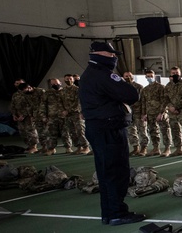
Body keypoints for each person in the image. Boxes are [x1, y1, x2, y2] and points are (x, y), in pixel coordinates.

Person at [79, 41, 145, 225]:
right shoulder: (103, 75)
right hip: (108, 129)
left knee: (106, 172)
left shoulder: (88, 75)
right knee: (116, 171)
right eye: (111, 55)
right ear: (99, 55)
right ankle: (117, 213)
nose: (114, 58)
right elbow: (132, 95)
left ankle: (109, 212)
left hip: (98, 127)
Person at [140, 70, 171, 156]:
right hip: (150, 113)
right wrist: (144, 114)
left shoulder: (161, 87)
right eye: (148, 76)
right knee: (153, 131)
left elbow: (164, 101)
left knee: (165, 130)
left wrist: (161, 113)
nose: (150, 77)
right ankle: (156, 148)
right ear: (146, 77)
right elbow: (143, 102)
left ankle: (167, 148)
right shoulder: (145, 90)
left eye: (151, 75)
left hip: (160, 113)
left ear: (154, 76)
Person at [165, 67, 182, 157]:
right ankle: (178, 149)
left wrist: (177, 107)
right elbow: (166, 99)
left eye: (177, 72)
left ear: (180, 73)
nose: (175, 74)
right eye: (173, 73)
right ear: (170, 74)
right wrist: (170, 107)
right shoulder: (168, 85)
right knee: (175, 130)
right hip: (172, 112)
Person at [62, 74, 91, 155]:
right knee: (72, 132)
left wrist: (68, 110)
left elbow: (78, 102)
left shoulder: (77, 89)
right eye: (67, 79)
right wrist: (63, 111)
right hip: (68, 115)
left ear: (73, 80)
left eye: (70, 79)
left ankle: (86, 147)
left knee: (80, 131)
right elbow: (61, 102)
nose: (69, 80)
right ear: (64, 80)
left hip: (77, 113)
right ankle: (78, 147)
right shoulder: (63, 90)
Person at [122, 72, 149, 156]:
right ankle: (135, 148)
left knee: (142, 130)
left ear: (132, 76)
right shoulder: (122, 87)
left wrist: (144, 113)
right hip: (128, 113)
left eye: (129, 76)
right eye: (126, 76)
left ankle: (144, 148)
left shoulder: (139, 87)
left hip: (138, 112)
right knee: (131, 130)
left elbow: (144, 101)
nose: (128, 77)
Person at [40, 78, 68, 156]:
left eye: (56, 83)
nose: (55, 85)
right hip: (52, 116)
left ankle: (68, 148)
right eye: (53, 84)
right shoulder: (47, 93)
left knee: (66, 133)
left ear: (60, 83)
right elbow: (43, 105)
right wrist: (43, 116)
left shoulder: (65, 92)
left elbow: (70, 103)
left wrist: (67, 111)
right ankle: (51, 149)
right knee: (50, 133)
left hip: (64, 116)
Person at [11, 79, 39, 154]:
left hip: (28, 116)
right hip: (19, 117)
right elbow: (13, 105)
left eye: (19, 83)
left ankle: (34, 147)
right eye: (16, 83)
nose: (17, 85)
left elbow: (31, 106)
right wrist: (14, 114)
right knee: (23, 132)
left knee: (31, 131)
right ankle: (29, 146)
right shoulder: (15, 94)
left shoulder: (29, 94)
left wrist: (24, 114)